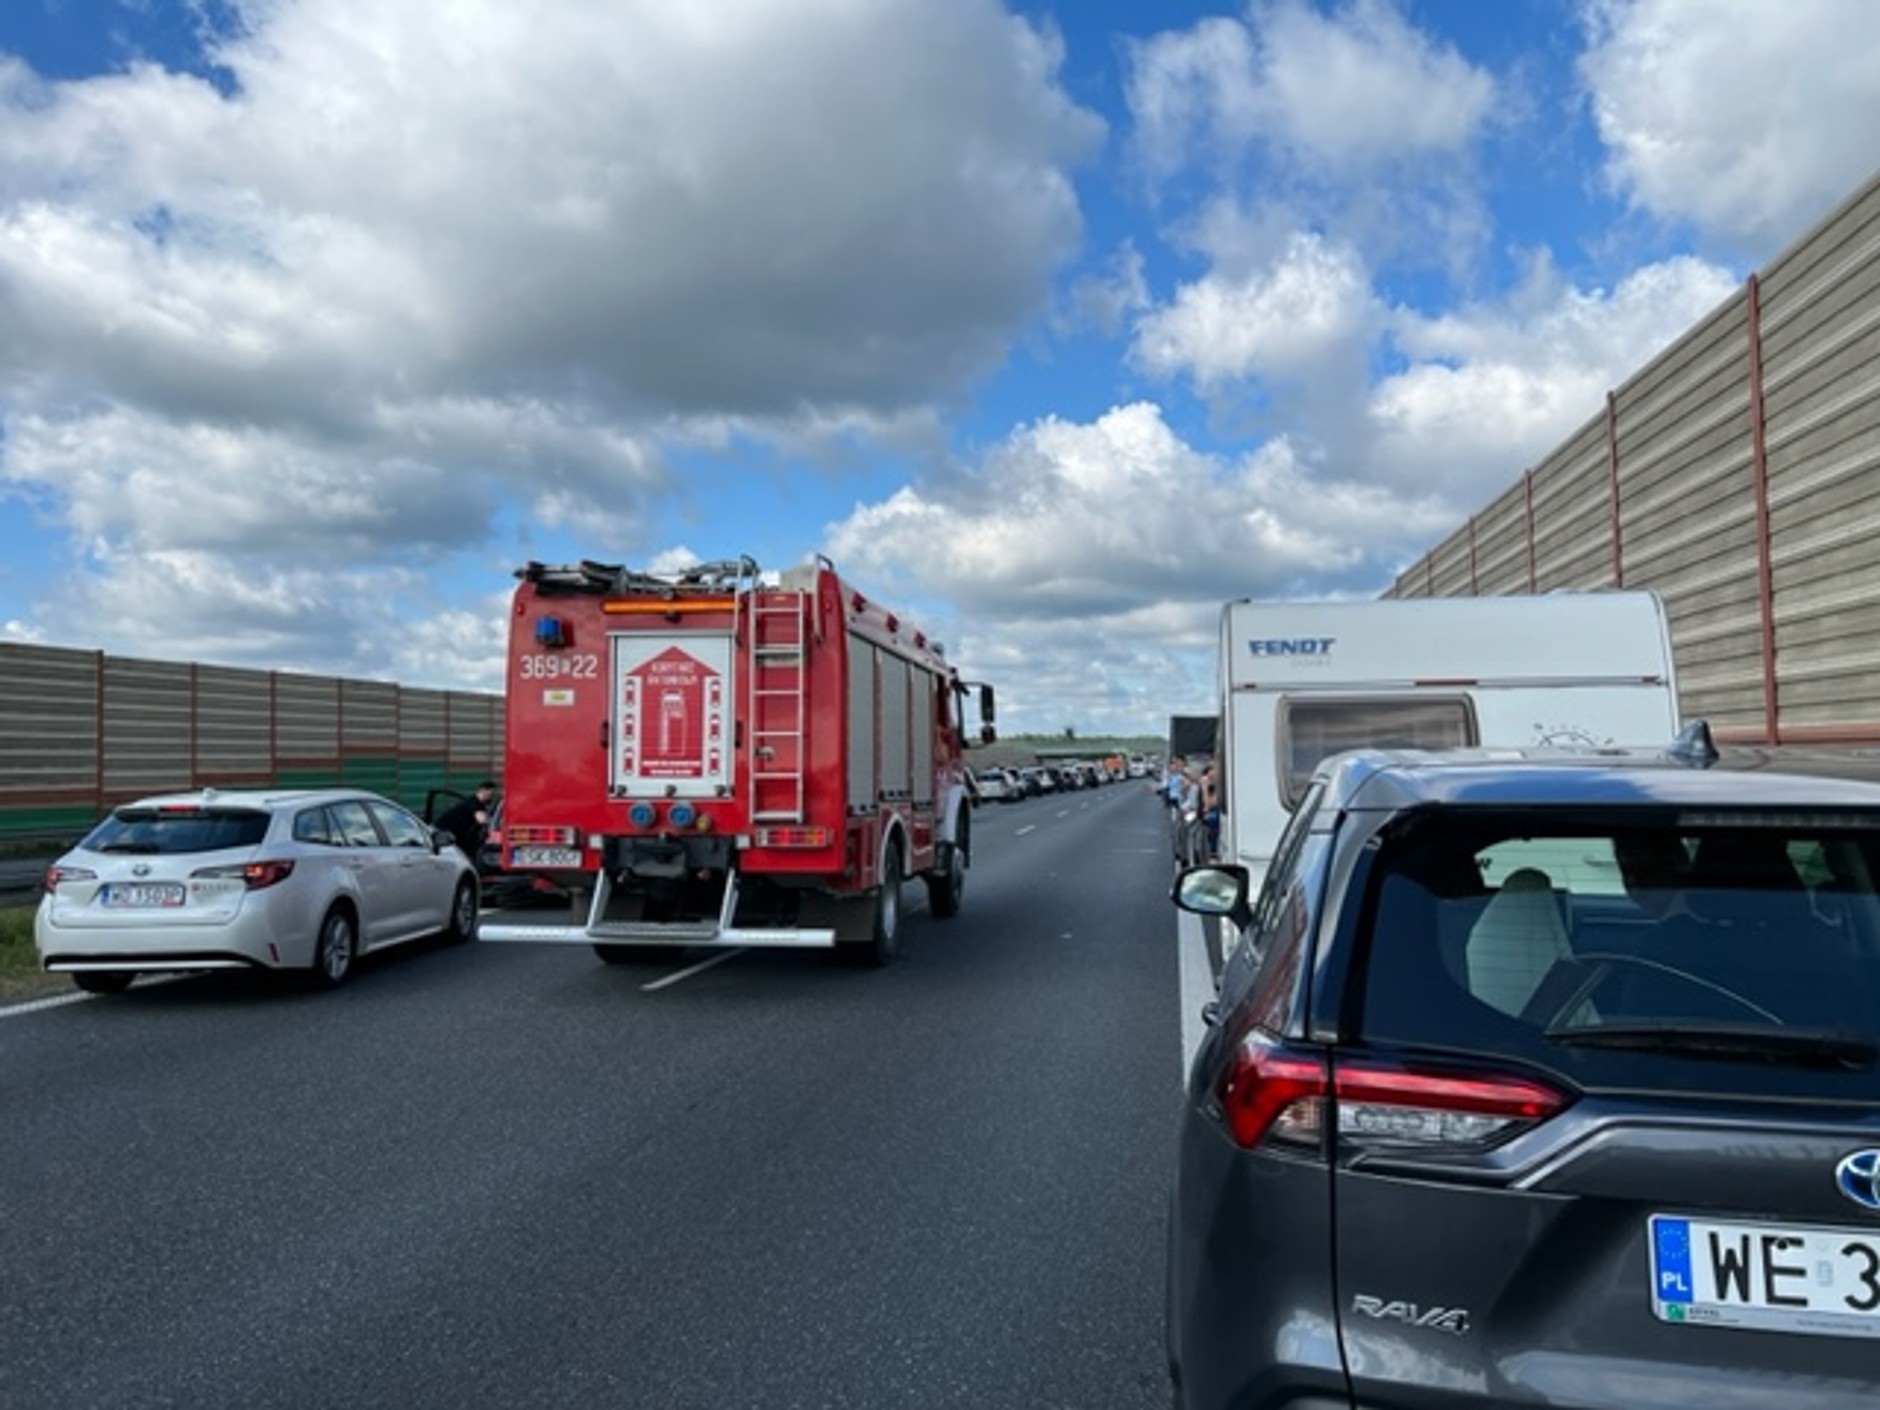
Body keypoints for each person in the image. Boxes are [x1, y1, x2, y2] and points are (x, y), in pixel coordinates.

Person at [438, 781, 496, 860]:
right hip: (444, 834)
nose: (491, 798)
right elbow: (482, 820)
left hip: (452, 836)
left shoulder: (473, 802)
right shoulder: (474, 803)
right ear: (483, 790)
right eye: (490, 795)